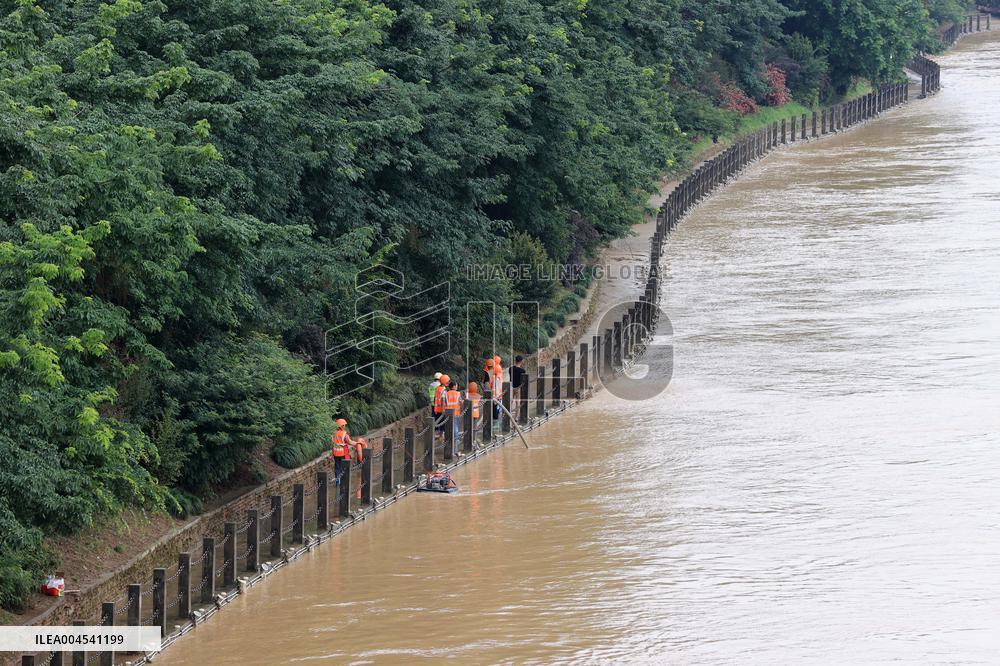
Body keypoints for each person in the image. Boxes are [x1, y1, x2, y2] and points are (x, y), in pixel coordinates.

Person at [331, 418, 355, 486]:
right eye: (344, 425)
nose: (345, 426)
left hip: (335, 453)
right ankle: (343, 481)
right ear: (341, 426)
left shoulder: (334, 433)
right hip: (342, 453)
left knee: (337, 467)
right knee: (343, 467)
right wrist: (358, 443)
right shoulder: (344, 434)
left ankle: (337, 482)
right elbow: (349, 442)